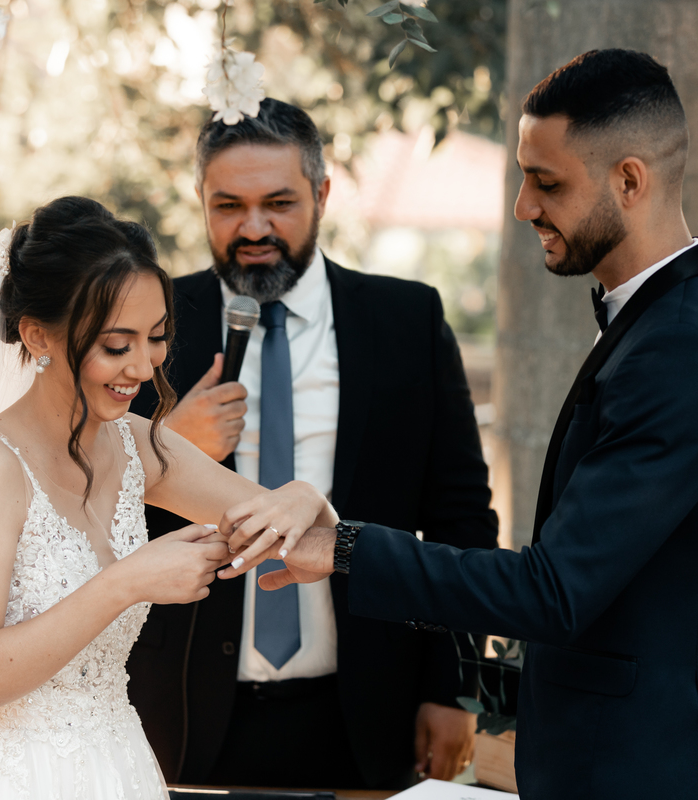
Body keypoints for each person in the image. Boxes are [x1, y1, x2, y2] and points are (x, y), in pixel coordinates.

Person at [221, 50, 698, 799]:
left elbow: (554, 591)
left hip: (665, 767)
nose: (524, 207)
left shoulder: (685, 344)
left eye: (547, 182)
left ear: (630, 181)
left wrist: (344, 547)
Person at [0, 196, 336, 800]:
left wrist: (306, 498)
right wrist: (129, 580)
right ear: (37, 335)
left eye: (156, 338)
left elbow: (295, 534)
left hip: (119, 768)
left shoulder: (137, 445)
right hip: (10, 780)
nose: (143, 367)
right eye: (117, 345)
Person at [125, 98, 497, 789]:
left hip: (370, 707)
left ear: (322, 195)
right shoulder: (148, 324)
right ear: (201, 200)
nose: (253, 228)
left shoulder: (407, 320)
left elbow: (462, 519)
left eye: (279, 203)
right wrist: (166, 449)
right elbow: (83, 512)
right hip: (178, 710)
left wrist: (455, 688)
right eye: (228, 205)